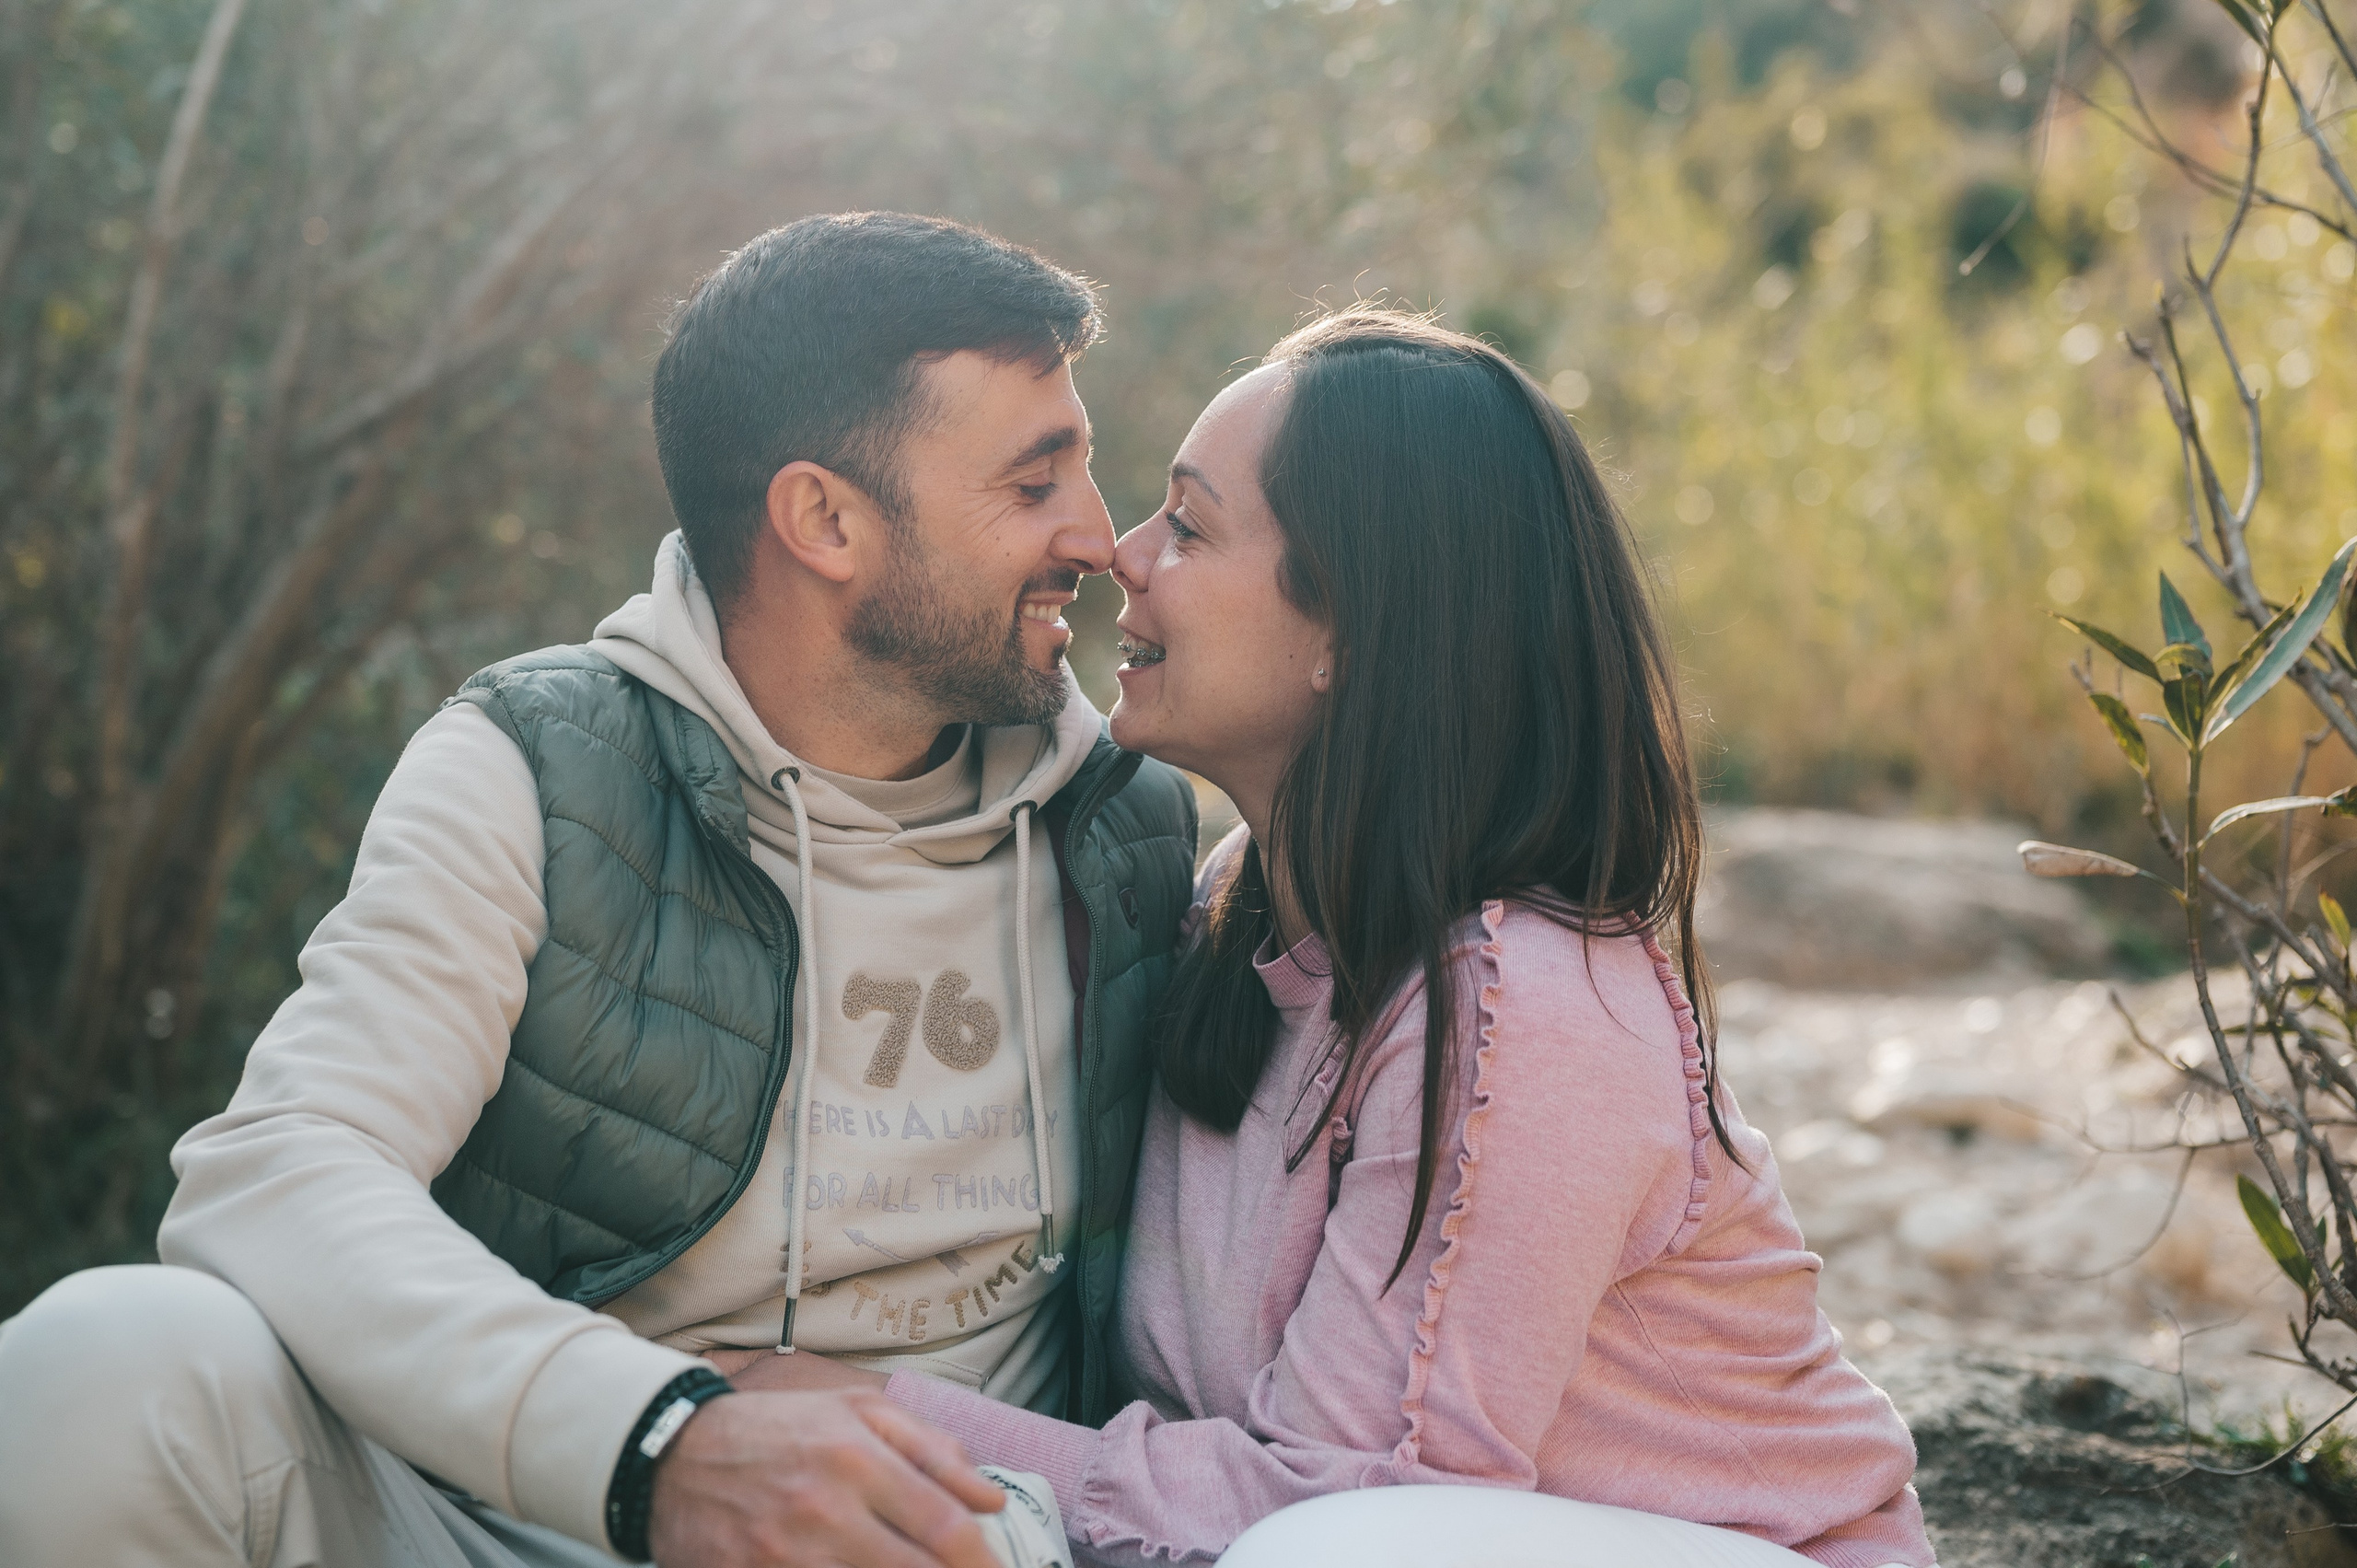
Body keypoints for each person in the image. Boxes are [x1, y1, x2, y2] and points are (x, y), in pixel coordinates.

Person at [0, 213, 1198, 1568]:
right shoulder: (540, 769)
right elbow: (278, 1173)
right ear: (823, 520)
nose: (1101, 539)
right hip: (541, 1511)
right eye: (1034, 483)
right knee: (110, 1368)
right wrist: (659, 1440)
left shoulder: (1132, 827)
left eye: (1084, 471)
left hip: (950, 1534)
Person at [749, 307, 1938, 1567]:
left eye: (1191, 525)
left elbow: (1358, 1505)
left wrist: (865, 1419)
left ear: (1353, 629)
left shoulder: (1532, 1007)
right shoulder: (1229, 906)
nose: (1121, 554)